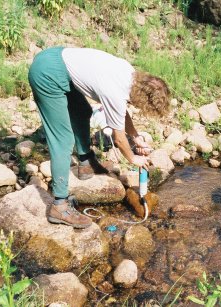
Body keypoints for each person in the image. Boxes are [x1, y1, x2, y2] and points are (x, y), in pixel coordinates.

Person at [28, 47, 170, 229]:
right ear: (144, 100)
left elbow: (121, 114)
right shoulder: (115, 92)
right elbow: (118, 139)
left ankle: (85, 162)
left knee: (83, 111)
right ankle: (59, 206)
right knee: (62, 139)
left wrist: (136, 137)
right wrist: (133, 158)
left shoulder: (129, 75)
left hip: (58, 62)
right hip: (46, 73)